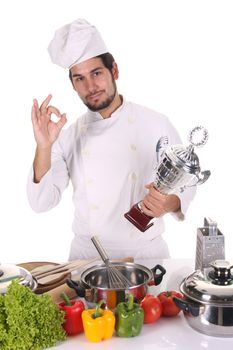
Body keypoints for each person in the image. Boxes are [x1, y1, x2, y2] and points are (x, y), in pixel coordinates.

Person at [27, 18, 195, 260]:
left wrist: (168, 203)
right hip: (87, 260)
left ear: (114, 70)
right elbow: (41, 202)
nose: (91, 86)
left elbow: (188, 181)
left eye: (96, 73)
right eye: (80, 78)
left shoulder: (155, 123)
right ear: (73, 85)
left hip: (146, 256)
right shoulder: (67, 137)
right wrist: (43, 146)